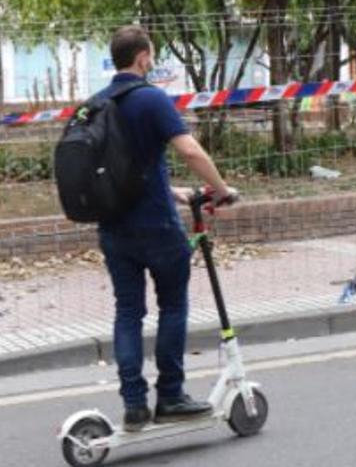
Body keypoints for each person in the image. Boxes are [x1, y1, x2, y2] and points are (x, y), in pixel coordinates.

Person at [97, 25, 239, 432]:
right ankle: (172, 396)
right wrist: (221, 189)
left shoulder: (98, 102)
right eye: (152, 55)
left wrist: (171, 189)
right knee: (172, 306)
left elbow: (125, 169)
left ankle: (134, 406)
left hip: (114, 228)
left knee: (128, 312)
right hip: (156, 227)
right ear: (142, 57)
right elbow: (190, 150)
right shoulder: (150, 99)